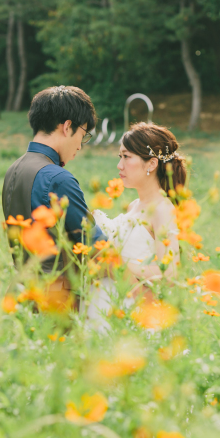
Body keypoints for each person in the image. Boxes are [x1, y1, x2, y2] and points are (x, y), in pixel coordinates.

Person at [86, 122, 187, 329]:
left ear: (151, 164)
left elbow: (169, 274)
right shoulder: (134, 206)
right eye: (119, 157)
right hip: (107, 307)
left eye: (126, 157)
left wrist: (115, 264)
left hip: (135, 315)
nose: (119, 165)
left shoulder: (162, 209)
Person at [2, 85, 106, 278]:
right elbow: (94, 244)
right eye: (82, 136)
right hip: (57, 295)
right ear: (67, 127)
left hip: (24, 289)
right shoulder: (58, 178)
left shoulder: (13, 169)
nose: (80, 147)